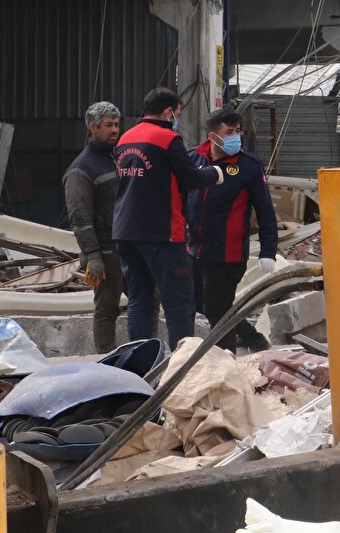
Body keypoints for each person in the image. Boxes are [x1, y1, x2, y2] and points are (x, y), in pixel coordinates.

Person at [113, 87, 223, 348]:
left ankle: (141, 362)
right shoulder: (167, 138)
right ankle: (181, 366)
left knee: (140, 299)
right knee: (179, 301)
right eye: (177, 114)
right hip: (161, 233)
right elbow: (192, 178)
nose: (177, 119)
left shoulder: (125, 139)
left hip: (126, 232)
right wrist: (215, 172)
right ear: (167, 112)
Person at [186, 108, 278, 353]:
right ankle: (251, 337)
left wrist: (268, 251)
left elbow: (266, 211)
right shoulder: (194, 158)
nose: (235, 136)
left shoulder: (248, 166)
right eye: (229, 132)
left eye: (238, 131)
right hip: (194, 249)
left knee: (217, 309)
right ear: (213, 135)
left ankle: (226, 360)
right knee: (198, 303)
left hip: (228, 253)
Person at [62, 101, 124, 353]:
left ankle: (146, 353)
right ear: (92, 128)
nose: (114, 130)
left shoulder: (116, 158)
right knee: (107, 308)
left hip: (126, 244)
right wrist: (94, 255)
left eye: (117, 125)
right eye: (108, 125)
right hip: (106, 249)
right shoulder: (82, 169)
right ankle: (107, 357)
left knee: (147, 300)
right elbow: (80, 216)